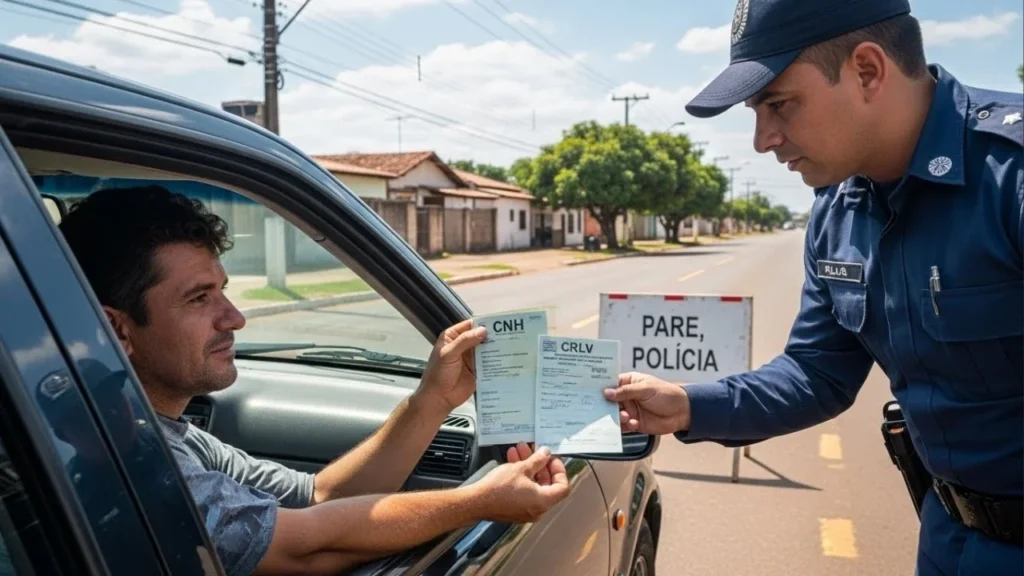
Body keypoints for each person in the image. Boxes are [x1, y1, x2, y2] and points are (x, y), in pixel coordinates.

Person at [604, 0, 1022, 574]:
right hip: (948, 534)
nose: (762, 139)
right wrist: (687, 407)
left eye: (778, 104)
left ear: (868, 71)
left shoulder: (1011, 180)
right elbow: (817, 373)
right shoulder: (838, 212)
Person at [58, 185, 570, 576]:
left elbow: (319, 498)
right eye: (198, 299)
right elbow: (305, 545)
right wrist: (479, 501)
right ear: (117, 329)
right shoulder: (133, 464)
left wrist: (432, 400)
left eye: (224, 291)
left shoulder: (171, 437)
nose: (234, 318)